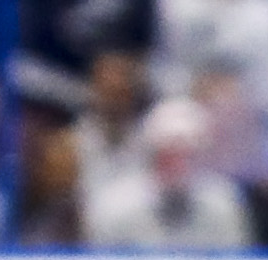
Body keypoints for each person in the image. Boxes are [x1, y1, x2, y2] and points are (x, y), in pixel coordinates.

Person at [82, 93, 249, 251]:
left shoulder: (224, 206)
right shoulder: (114, 208)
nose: (179, 164)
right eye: (169, 154)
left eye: (188, 155)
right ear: (152, 154)